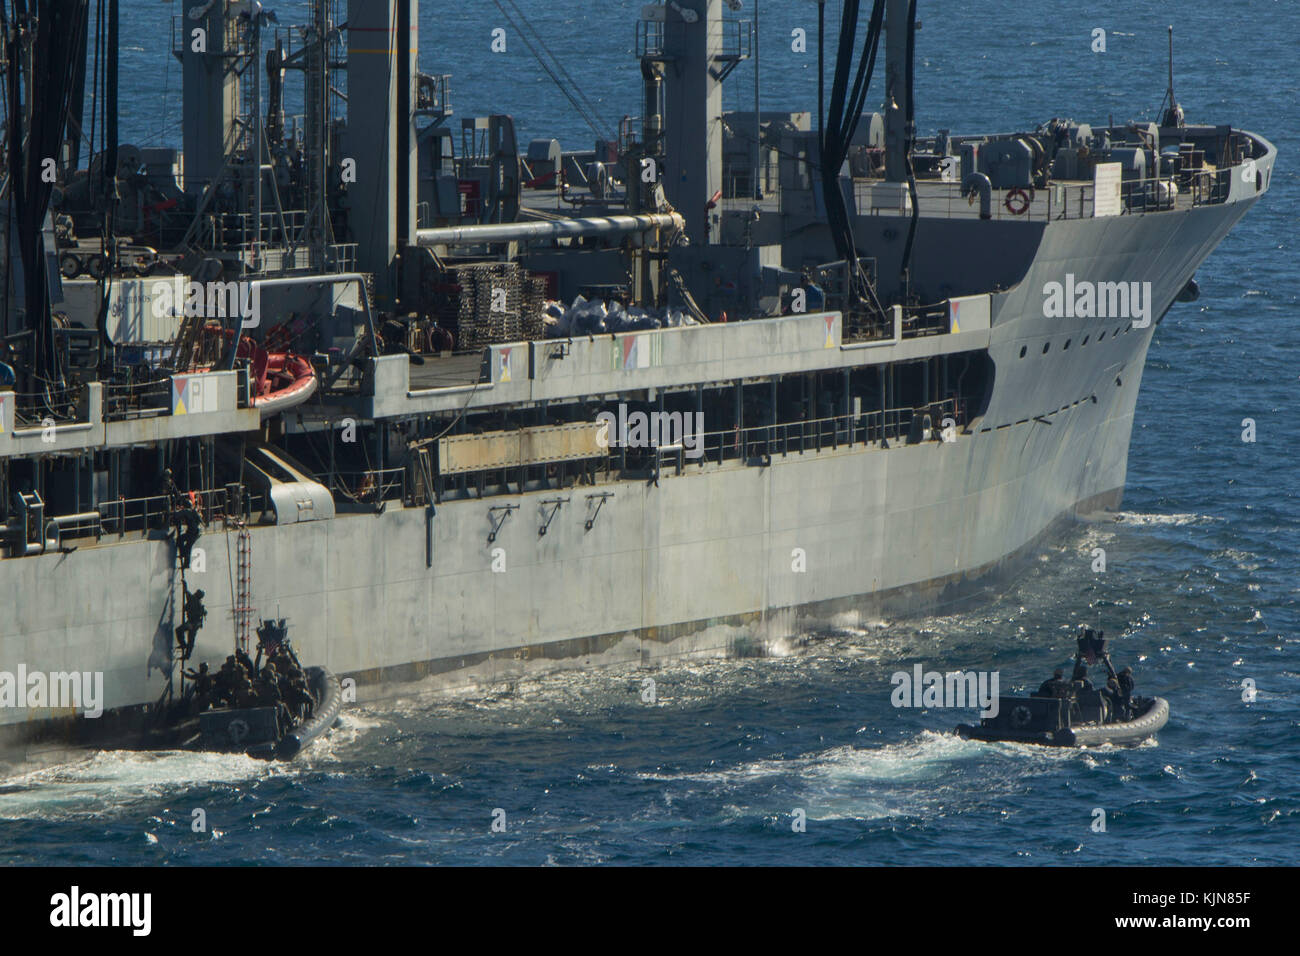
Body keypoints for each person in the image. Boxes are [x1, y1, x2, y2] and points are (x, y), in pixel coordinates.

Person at [174, 588, 207, 659]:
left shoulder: (194, 600)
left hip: (193, 623)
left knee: (182, 633)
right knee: (190, 639)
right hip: (194, 623)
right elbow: (187, 592)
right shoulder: (198, 602)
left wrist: (184, 584)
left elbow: (187, 592)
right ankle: (185, 650)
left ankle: (184, 647)